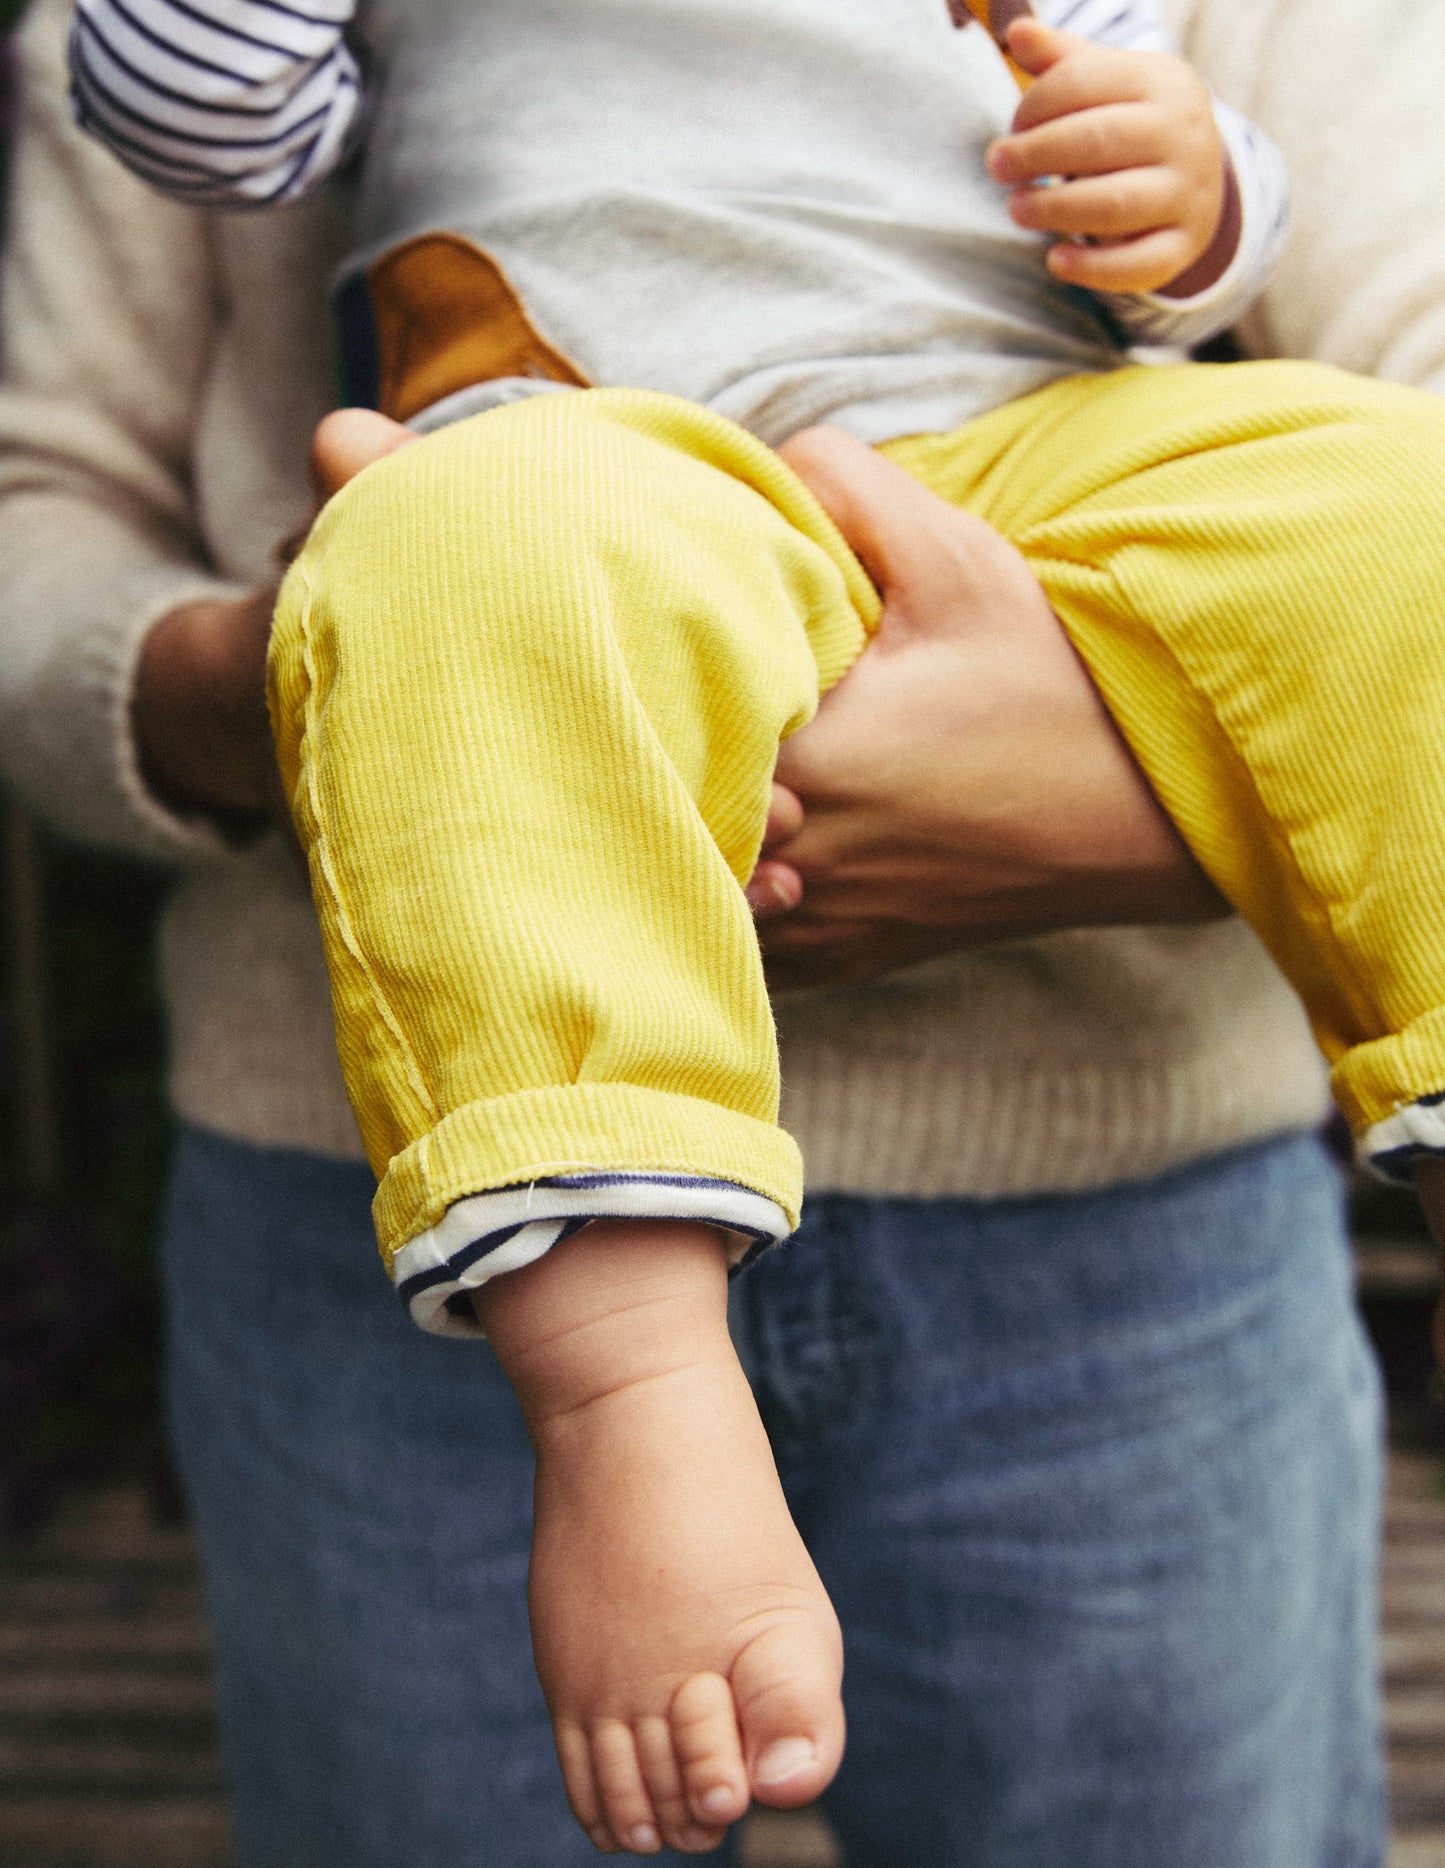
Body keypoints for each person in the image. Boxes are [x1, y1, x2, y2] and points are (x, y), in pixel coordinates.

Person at [0, 0, 1426, 1857]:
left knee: (1398, 506)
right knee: (448, 536)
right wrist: (326, 699)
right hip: (572, 479)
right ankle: (624, 1390)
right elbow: (179, 142)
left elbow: (1272, 274)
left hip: (1042, 508)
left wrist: (1197, 203)